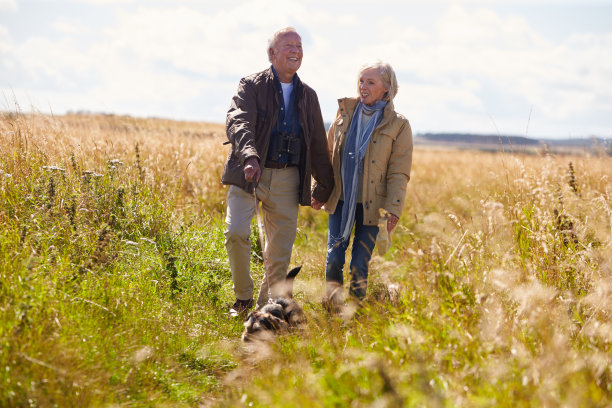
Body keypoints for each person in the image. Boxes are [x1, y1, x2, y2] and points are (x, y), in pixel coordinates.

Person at [222, 27, 334, 317]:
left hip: (288, 178)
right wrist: (249, 156)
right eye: (288, 46)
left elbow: (318, 145)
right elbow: (238, 121)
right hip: (249, 173)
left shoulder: (308, 96)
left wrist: (323, 186)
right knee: (236, 232)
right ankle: (243, 299)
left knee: (279, 254)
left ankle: (267, 310)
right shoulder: (250, 85)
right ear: (272, 54)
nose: (295, 50)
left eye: (299, 45)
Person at [312, 61, 413, 310]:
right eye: (361, 81)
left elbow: (399, 171)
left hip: (373, 205)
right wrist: (319, 188)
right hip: (341, 198)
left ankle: (355, 311)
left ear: (387, 89)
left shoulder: (399, 125)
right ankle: (333, 307)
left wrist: (394, 207)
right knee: (334, 257)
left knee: (359, 262)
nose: (363, 87)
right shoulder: (345, 112)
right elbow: (327, 153)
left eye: (370, 82)